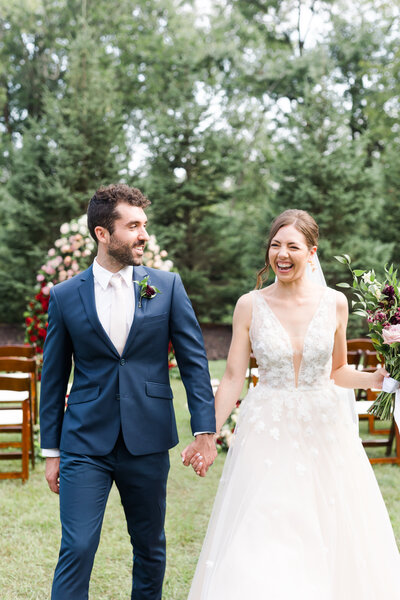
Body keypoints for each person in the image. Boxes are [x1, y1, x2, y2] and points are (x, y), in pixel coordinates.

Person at [183, 209, 400, 599]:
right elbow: (233, 377)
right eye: (275, 245)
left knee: (329, 531)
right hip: (268, 428)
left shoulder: (335, 303)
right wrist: (207, 435)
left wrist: (377, 379)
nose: (281, 254)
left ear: (311, 252)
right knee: (264, 529)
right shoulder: (249, 305)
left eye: (292, 246)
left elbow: (337, 371)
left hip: (325, 431)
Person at [40, 183, 217, 600]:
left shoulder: (166, 286)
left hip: (149, 437)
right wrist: (52, 452)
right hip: (85, 441)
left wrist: (205, 430)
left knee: (150, 546)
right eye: (133, 225)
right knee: (78, 546)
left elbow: (193, 362)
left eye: (144, 225)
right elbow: (53, 375)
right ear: (103, 233)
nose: (144, 235)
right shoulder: (65, 297)